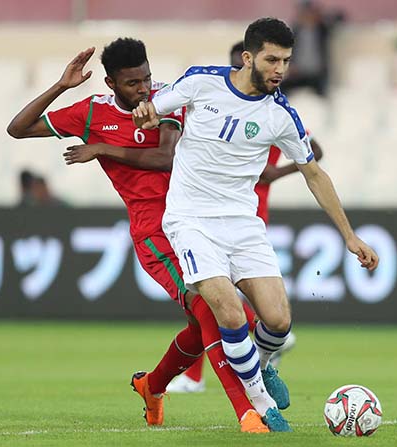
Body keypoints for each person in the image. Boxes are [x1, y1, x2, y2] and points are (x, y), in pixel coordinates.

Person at [7, 39, 271, 433]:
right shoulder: (92, 111)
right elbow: (18, 129)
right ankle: (248, 412)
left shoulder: (166, 100)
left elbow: (165, 156)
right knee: (212, 308)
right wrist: (62, 86)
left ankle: (153, 385)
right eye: (132, 83)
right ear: (111, 83)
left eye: (146, 77)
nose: (143, 88)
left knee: (212, 323)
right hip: (154, 232)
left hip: (197, 221)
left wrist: (101, 149)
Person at [133, 17, 379, 430]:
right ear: (248, 58)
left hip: (242, 223)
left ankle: (261, 367)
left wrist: (350, 236)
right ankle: (261, 405)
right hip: (191, 219)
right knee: (229, 312)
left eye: (285, 60)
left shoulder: (282, 114)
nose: (280, 69)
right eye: (272, 59)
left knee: (278, 321)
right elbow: (152, 108)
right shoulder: (201, 82)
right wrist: (146, 113)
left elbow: (314, 173)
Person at [167, 41, 324, 394]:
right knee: (219, 301)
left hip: (246, 216)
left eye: (282, 62)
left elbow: (315, 153)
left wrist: (274, 173)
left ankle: (244, 362)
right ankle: (217, 372)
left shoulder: (274, 111)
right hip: (212, 214)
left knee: (223, 303)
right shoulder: (214, 96)